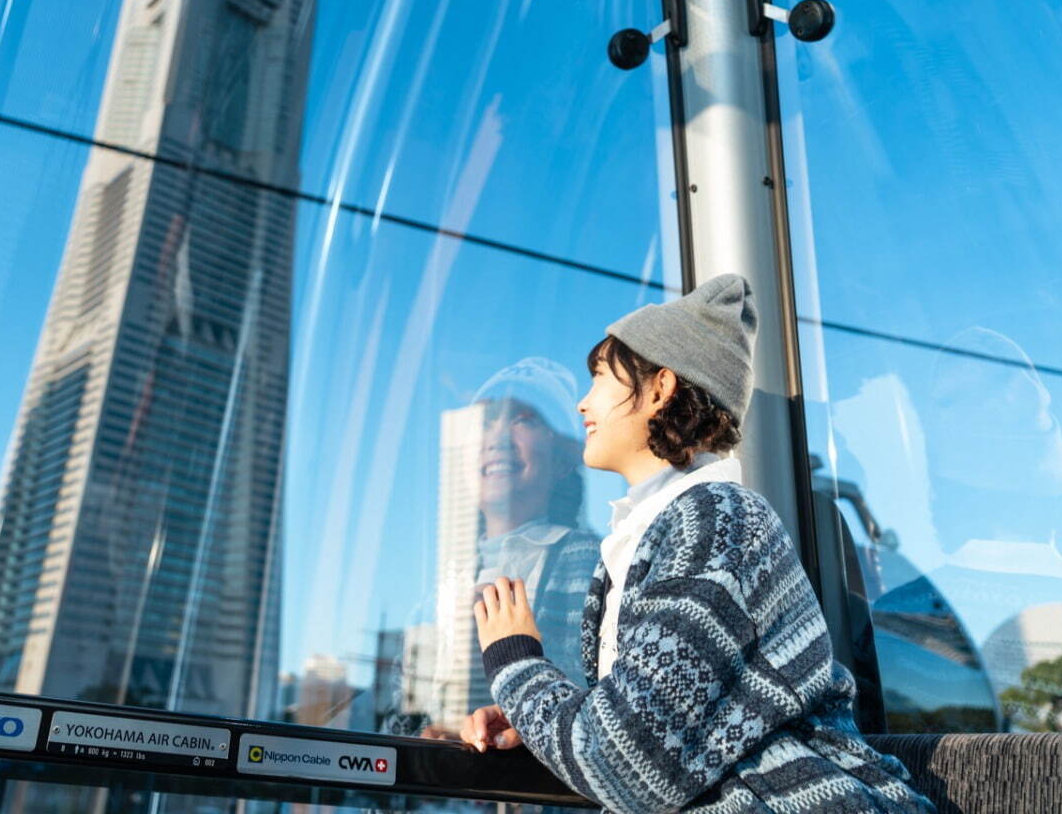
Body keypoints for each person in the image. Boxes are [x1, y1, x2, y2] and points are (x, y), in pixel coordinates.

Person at [462, 275, 934, 813]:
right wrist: (544, 719)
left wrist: (516, 661)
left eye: (599, 379)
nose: (582, 404)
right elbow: (652, 732)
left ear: (660, 388)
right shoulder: (654, 533)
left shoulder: (715, 524)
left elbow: (623, 761)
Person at [383, 358, 599, 739]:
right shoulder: (439, 589)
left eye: (524, 420)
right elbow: (401, 719)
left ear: (562, 461)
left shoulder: (594, 564)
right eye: (485, 423)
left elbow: (597, 713)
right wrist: (439, 734)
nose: (497, 437)